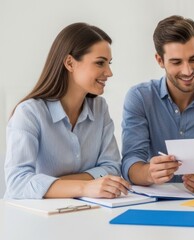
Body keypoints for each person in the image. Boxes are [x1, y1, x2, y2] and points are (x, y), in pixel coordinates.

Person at [4, 23, 130, 199]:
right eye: (100, 63)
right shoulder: (29, 113)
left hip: (82, 211)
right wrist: (85, 187)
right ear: (70, 63)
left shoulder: (100, 108)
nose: (109, 72)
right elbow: (17, 183)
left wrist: (52, 184)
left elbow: (111, 168)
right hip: (33, 218)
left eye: (109, 63)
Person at [121, 15, 194, 193]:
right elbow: (131, 162)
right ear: (160, 60)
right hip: (154, 201)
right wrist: (148, 173)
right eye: (176, 62)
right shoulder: (139, 98)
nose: (188, 70)